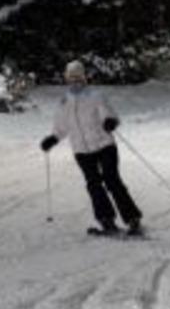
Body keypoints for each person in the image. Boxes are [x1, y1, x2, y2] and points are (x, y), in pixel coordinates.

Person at [40, 60, 143, 236]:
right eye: (71, 78)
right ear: (66, 79)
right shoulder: (64, 102)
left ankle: (132, 218)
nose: (75, 82)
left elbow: (107, 112)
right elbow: (61, 126)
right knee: (94, 184)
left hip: (104, 145)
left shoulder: (96, 95)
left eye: (78, 78)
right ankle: (106, 220)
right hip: (81, 151)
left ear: (85, 78)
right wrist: (53, 138)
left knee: (112, 180)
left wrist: (110, 121)